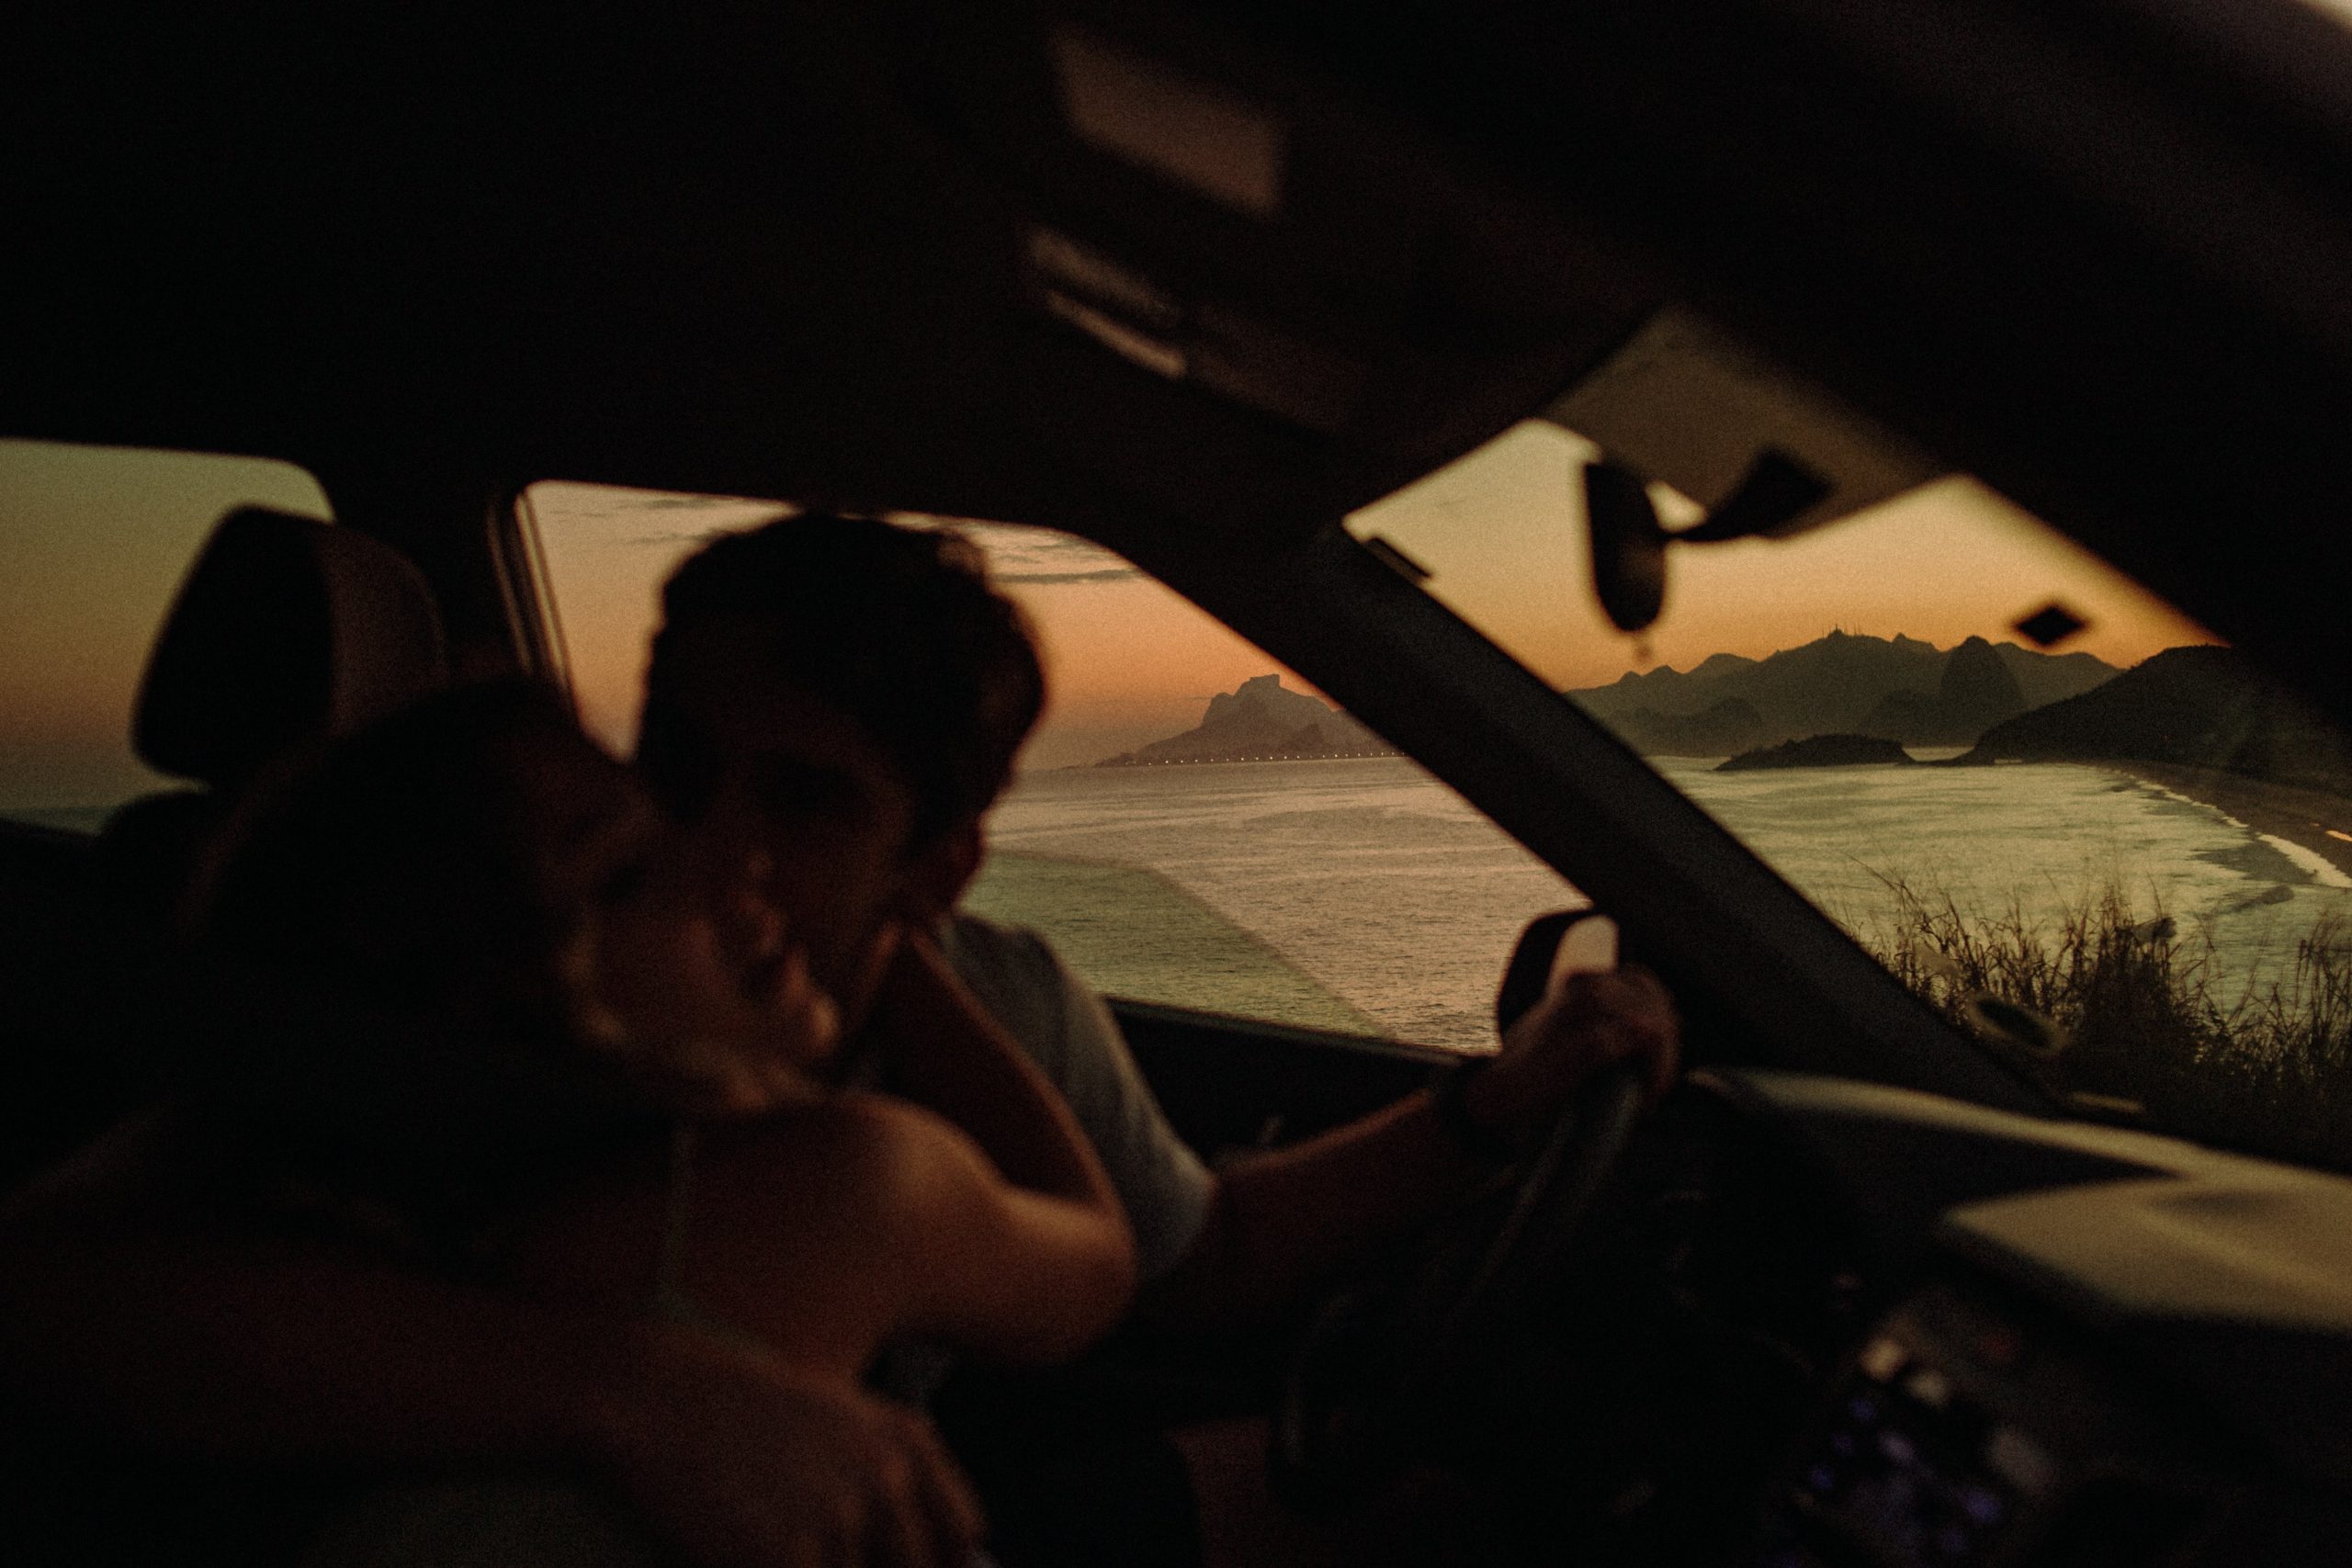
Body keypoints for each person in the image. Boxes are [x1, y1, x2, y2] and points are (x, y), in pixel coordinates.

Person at [0, 514, 1678, 1568]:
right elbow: (56, 1291)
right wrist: (636, 1392)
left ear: (937, 865)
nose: (714, 838)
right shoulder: (437, 1006)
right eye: (674, 755)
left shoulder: (992, 1004)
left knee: (1414, 1498)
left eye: (806, 799)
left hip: (894, 1494)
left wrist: (1492, 1109)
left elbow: (1194, 1253)